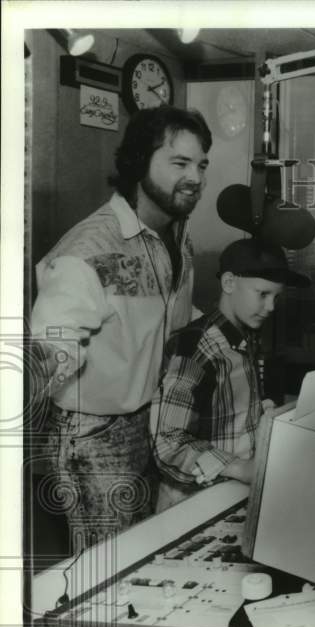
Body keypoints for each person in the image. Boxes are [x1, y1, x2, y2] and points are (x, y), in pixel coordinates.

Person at [30, 106, 212, 550]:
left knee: (147, 551)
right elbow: (53, 342)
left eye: (202, 164)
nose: (196, 177)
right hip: (92, 433)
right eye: (179, 163)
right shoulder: (86, 249)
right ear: (138, 163)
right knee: (105, 570)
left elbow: (172, 317)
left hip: (147, 419)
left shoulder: (177, 236)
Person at [150, 238, 310, 512]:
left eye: (276, 297)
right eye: (262, 294)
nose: (271, 307)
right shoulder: (197, 348)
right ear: (229, 283)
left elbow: (225, 411)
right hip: (189, 501)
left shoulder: (242, 338)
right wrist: (242, 468)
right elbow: (168, 441)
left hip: (227, 489)